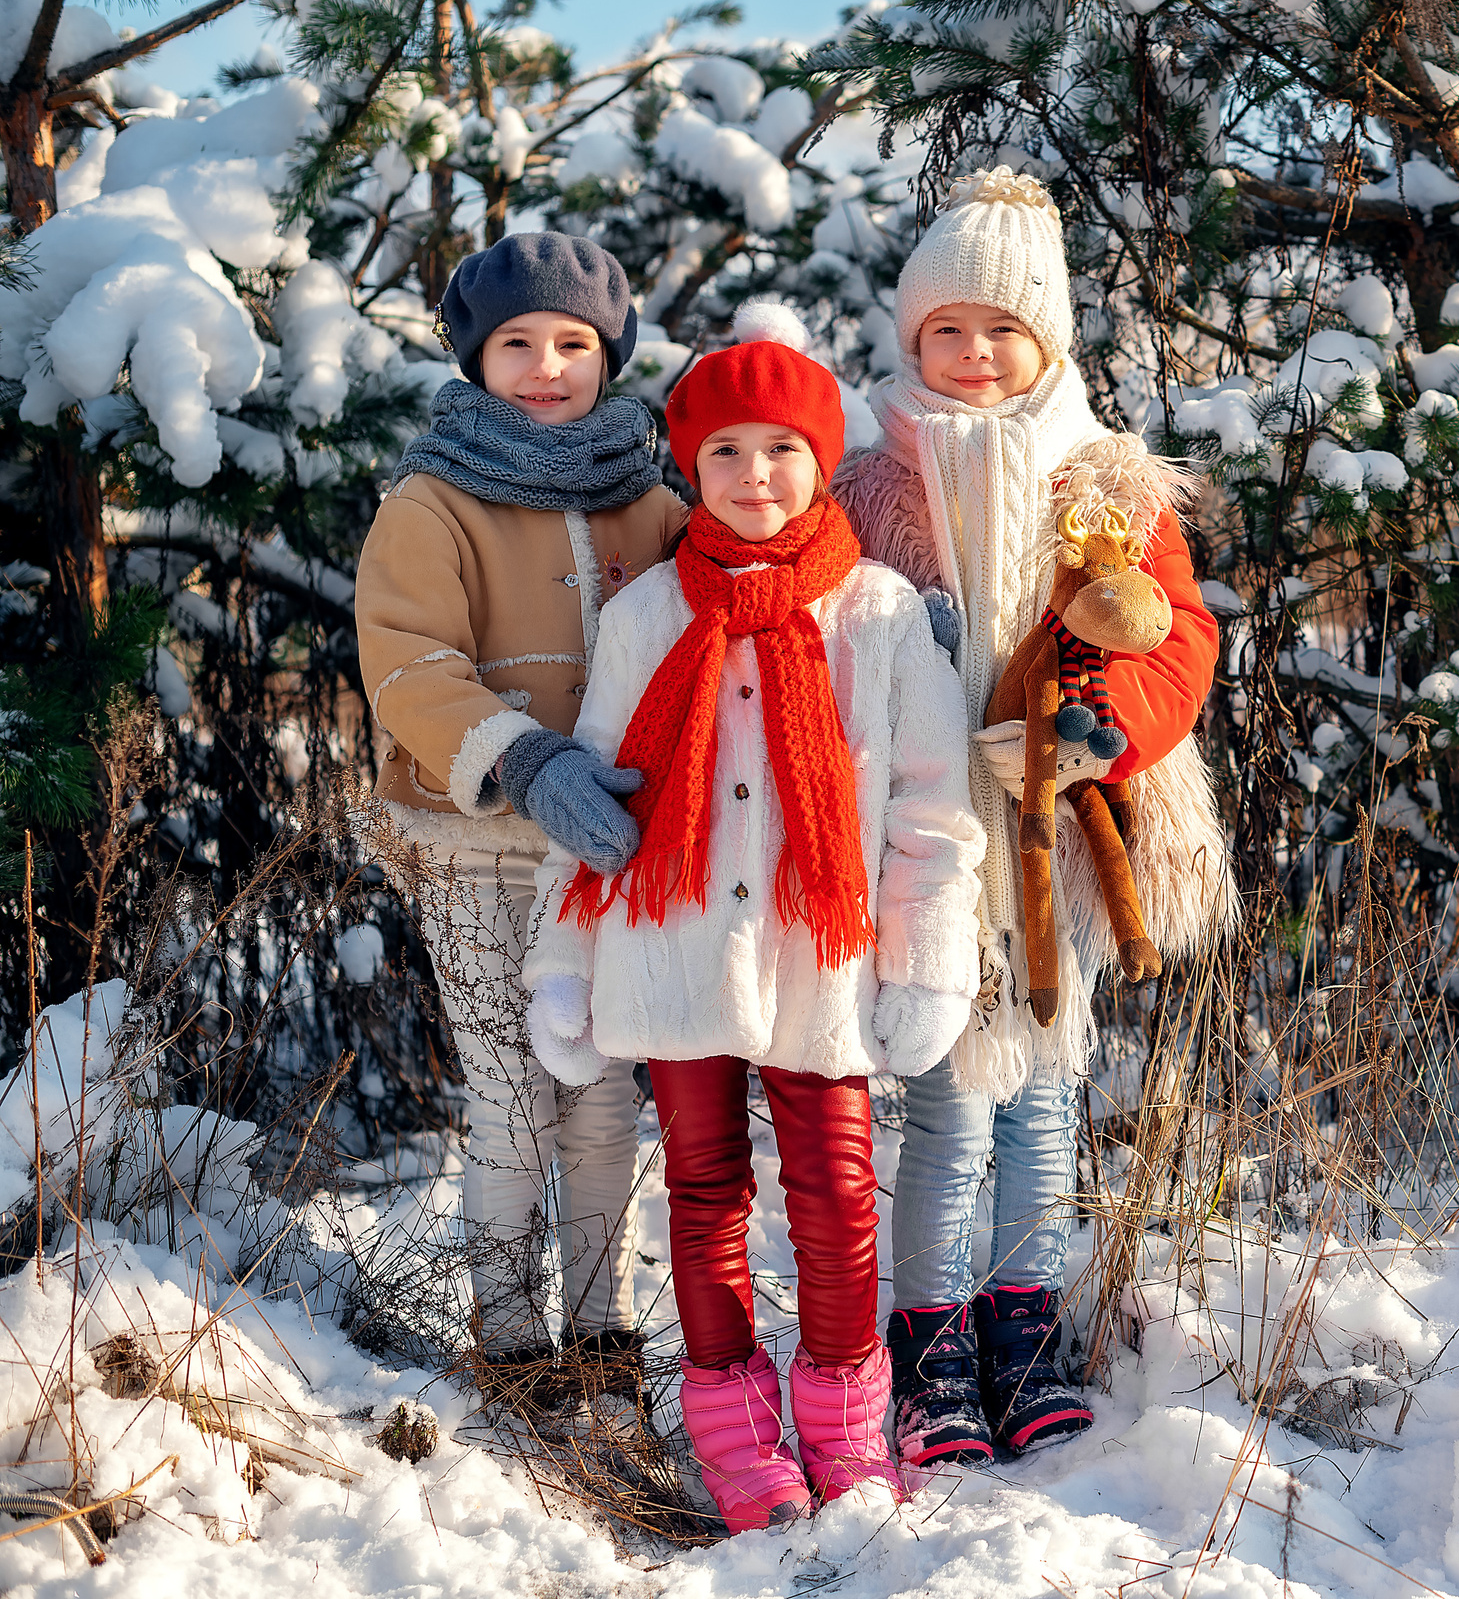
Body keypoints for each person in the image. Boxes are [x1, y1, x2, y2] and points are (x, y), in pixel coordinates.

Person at [522, 303, 985, 1533]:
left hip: (820, 958)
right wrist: (562, 965)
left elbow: (933, 811)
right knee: (703, 1184)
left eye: (779, 448)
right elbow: (600, 811)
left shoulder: (877, 615)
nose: (753, 475)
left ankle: (842, 1417)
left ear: (821, 458)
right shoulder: (643, 619)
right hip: (672, 956)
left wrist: (927, 961)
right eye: (724, 451)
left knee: (836, 1190)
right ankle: (734, 1426)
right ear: (691, 466)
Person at [835, 168, 1236, 1466]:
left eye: (1003, 329)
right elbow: (825, 641)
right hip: (936, 839)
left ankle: (1023, 1322)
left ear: (1049, 340)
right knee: (951, 1103)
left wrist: (1107, 721)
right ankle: (934, 1340)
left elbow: (1176, 638)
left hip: (1062, 838)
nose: (974, 353)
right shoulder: (867, 487)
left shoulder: (1106, 480)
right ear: (910, 339)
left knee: (1047, 1105)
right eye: (946, 329)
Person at [355, 232, 686, 1405]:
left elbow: (742, 598)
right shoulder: (433, 498)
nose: (547, 366)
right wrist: (523, 757)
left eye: (573, 343)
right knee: (509, 1091)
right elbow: (404, 660)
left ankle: (600, 1333)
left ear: (610, 353)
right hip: (483, 846)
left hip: (614, 858)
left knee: (601, 1094)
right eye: (518, 343)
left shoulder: (649, 499)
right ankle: (507, 1338)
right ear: (475, 355)